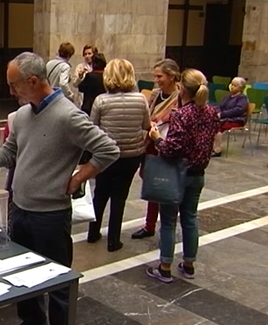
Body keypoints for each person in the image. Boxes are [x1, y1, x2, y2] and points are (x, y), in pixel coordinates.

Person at [0, 52, 119, 325]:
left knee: (57, 281)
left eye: (14, 85)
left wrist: (78, 178)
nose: (11, 91)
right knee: (22, 274)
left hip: (50, 215)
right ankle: (34, 324)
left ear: (33, 81)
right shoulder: (20, 116)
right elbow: (9, 153)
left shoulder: (68, 116)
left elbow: (108, 149)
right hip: (20, 209)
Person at [146, 68, 221, 283]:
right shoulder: (211, 112)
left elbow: (173, 148)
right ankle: (189, 264)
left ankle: (165, 266)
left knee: (168, 221)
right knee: (190, 219)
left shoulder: (180, 115)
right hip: (198, 174)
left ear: (182, 90)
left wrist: (157, 138)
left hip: (177, 174)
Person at [87, 59, 150, 252]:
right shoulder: (140, 99)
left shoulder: (101, 100)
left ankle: (93, 232)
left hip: (106, 155)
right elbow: (146, 125)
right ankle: (113, 240)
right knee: (119, 196)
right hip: (131, 155)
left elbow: (92, 127)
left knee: (100, 193)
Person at [131, 58, 182, 240]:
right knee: (151, 182)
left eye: (160, 76)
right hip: (151, 142)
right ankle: (149, 224)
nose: (157, 80)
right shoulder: (155, 94)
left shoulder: (180, 98)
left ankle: (168, 225)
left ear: (172, 76)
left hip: (168, 144)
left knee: (165, 184)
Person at [212, 77, 249, 157]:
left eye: (235, 85)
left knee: (217, 125)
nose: (232, 87)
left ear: (240, 88)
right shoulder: (227, 96)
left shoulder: (242, 98)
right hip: (225, 117)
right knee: (210, 123)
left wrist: (222, 114)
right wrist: (217, 112)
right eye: (232, 84)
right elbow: (220, 106)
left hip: (236, 120)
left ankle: (217, 150)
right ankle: (210, 146)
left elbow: (238, 110)